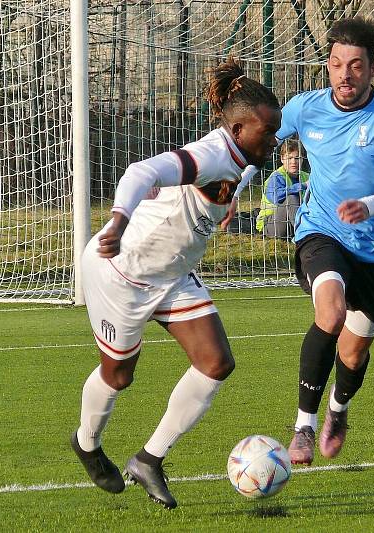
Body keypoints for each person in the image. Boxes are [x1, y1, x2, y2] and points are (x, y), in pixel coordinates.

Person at [70, 57, 280, 509]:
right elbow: (139, 173)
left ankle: (149, 458)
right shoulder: (213, 154)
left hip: (170, 275)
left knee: (216, 362)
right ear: (239, 130)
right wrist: (119, 221)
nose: (275, 139)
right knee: (119, 375)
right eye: (268, 131)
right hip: (122, 273)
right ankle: (86, 442)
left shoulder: (245, 155)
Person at [276, 17, 374, 465]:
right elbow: (255, 143)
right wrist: (229, 185)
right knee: (330, 311)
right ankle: (303, 424)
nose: (344, 74)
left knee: (354, 353)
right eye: (337, 64)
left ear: (373, 70)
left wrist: (369, 205)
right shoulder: (305, 108)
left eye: (355, 66)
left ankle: (338, 410)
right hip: (320, 232)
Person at [256, 138, 309, 238]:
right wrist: (302, 186)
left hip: (294, 221)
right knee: (291, 198)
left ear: (302, 159)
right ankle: (304, 236)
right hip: (271, 224)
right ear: (282, 159)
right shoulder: (276, 176)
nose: (294, 162)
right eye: (289, 158)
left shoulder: (307, 176)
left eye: (297, 158)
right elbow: (276, 198)